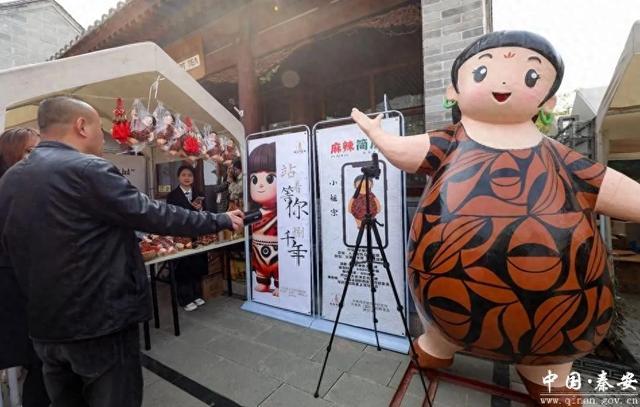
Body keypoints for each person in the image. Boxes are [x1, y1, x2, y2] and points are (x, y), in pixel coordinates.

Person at [351, 30, 640, 406]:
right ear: (454, 91)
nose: (503, 83)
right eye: (482, 72)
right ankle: (438, 342)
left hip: (555, 307)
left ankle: (544, 374)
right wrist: (377, 134)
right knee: (442, 326)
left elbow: (611, 187)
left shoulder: (560, 157)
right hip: (447, 296)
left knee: (552, 339)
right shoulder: (448, 142)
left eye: (530, 76)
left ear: (549, 99)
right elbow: (402, 152)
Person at [0, 96, 244, 407]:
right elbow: (155, 214)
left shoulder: (10, 180)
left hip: (45, 330)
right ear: (81, 125)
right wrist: (220, 219)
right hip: (99, 323)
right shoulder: (88, 169)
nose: (104, 138)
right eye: (100, 130)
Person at [0, 128, 50, 407]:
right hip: (17, 296)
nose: (37, 157)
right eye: (30, 151)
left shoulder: (31, 186)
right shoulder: (10, 190)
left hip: (35, 295)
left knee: (42, 366)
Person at [166, 165, 208, 311]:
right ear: (178, 177)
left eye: (190, 175)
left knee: (196, 264)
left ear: (193, 178)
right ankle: (185, 299)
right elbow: (173, 216)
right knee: (183, 266)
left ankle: (196, 294)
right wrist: (191, 209)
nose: (187, 178)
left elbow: (205, 212)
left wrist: (200, 209)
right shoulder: (172, 196)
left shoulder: (199, 193)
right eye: (183, 175)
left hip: (197, 234)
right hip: (181, 235)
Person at [248, 143, 279, 296]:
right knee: (260, 266)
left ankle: (279, 282)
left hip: (276, 253)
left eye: (269, 178)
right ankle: (263, 281)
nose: (260, 185)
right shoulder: (255, 212)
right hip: (258, 250)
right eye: (254, 179)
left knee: (279, 265)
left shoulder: (282, 213)